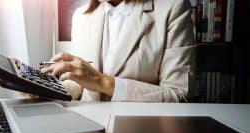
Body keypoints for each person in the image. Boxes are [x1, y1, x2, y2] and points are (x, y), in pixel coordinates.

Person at [41, 0, 196, 102]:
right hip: (85, 126)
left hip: (140, 131)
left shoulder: (174, 7)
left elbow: (179, 96)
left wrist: (102, 82)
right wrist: (50, 91)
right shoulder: (80, 16)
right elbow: (80, 85)